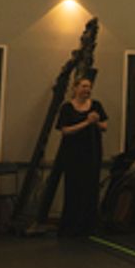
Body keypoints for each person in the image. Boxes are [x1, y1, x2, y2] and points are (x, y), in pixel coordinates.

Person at [55, 76, 109, 237]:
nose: (87, 90)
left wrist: (96, 122)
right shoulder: (67, 108)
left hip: (92, 152)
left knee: (91, 188)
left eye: (89, 87)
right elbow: (65, 130)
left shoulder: (96, 105)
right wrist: (87, 122)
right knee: (73, 188)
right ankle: (71, 226)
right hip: (73, 154)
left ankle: (89, 225)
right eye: (84, 86)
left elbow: (104, 126)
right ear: (75, 88)